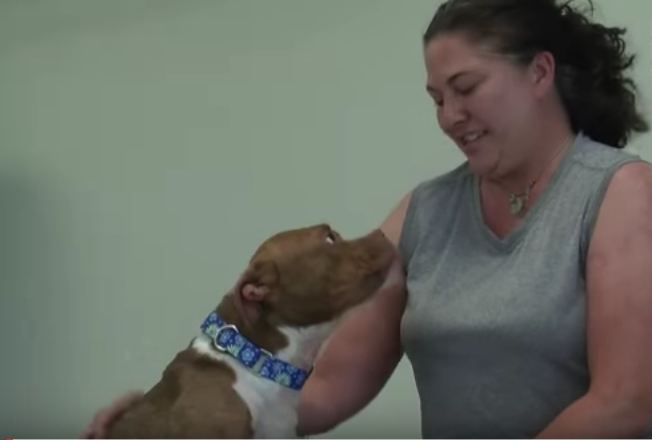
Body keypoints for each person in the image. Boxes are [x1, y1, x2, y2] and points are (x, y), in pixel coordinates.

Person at [83, 0, 652, 437]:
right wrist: (168, 418)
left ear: (539, 72)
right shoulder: (425, 212)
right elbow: (329, 388)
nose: (450, 117)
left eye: (465, 88)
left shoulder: (620, 192)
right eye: (435, 99)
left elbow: (626, 402)